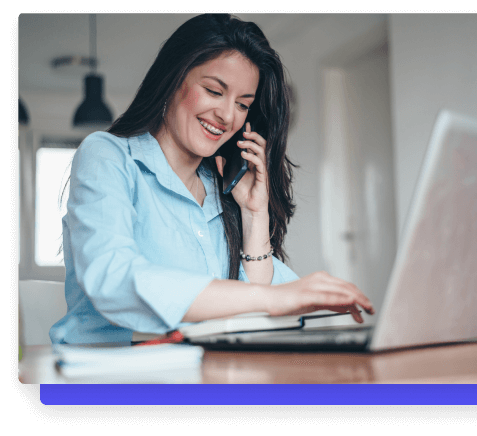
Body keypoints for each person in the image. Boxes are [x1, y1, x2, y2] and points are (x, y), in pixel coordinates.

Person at [50, 13, 374, 345]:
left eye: (243, 104)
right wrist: (273, 299)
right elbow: (112, 279)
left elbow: (262, 315)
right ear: (174, 80)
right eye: (213, 91)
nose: (228, 116)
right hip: (107, 377)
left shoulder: (221, 191)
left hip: (200, 373)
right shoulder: (107, 156)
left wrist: (254, 215)